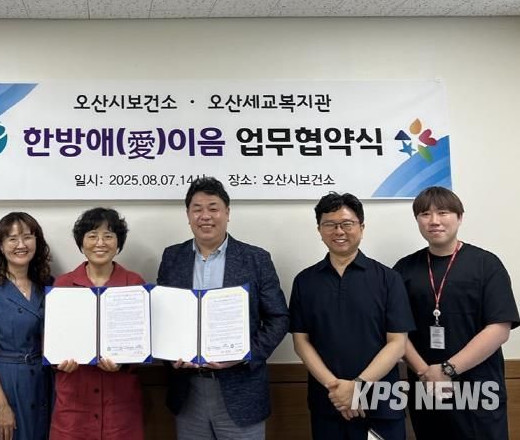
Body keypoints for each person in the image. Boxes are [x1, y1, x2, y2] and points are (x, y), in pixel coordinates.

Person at [156, 177, 289, 440]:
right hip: (188, 392)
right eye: (197, 209)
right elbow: (162, 317)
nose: (205, 216)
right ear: (188, 215)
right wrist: (168, 353)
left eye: (213, 208)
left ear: (227, 213)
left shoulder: (256, 259)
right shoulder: (172, 257)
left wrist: (244, 354)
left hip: (241, 390)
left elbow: (279, 318)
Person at [393, 186, 519, 440]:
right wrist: (426, 373)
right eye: (425, 214)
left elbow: (499, 328)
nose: (434, 220)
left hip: (479, 388)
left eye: (443, 212)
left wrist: (447, 370)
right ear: (417, 220)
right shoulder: (404, 269)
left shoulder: (486, 264)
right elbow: (396, 331)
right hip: (426, 388)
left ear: (459, 217)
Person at [288, 192, 414, 440]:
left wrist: (357, 386)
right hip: (329, 402)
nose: (339, 231)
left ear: (361, 228)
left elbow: (397, 343)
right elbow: (301, 342)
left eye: (347, 224)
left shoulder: (388, 279)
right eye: (330, 224)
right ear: (319, 230)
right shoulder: (305, 281)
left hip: (381, 403)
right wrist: (337, 390)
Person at [50, 207, 145, 440]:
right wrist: (58, 362)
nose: (100, 243)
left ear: (118, 242)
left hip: (119, 406)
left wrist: (124, 363)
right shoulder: (63, 285)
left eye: (108, 236)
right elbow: (50, 340)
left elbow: (143, 341)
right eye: (92, 236)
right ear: (81, 243)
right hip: (74, 404)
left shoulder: (134, 284)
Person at [0, 212, 53, 440]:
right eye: (12, 239)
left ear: (37, 241)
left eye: (27, 237)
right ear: (1, 246)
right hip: (6, 381)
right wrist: (1, 405)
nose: (21, 245)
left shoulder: (48, 285)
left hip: (42, 380)